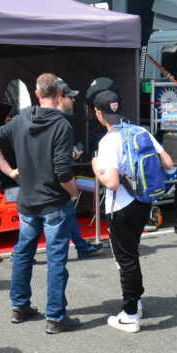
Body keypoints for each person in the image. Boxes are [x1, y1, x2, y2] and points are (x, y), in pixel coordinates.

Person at [0, 73, 80, 334]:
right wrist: (74, 192)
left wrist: (10, 171)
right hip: (54, 203)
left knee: (24, 253)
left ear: (37, 94)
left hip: (28, 201)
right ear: (59, 94)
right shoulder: (62, 125)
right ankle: (56, 317)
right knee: (56, 258)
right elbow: (62, 171)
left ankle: (20, 306)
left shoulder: (20, 120)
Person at [92, 90, 173, 332]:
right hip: (143, 201)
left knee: (125, 259)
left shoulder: (108, 141)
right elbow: (168, 164)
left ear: (99, 113)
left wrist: (96, 167)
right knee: (131, 254)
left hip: (121, 206)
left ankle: (130, 315)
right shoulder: (140, 131)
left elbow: (112, 182)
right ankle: (135, 301)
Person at [57, 78, 103, 259]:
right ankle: (19, 252)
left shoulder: (41, 119)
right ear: (60, 97)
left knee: (64, 214)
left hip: (47, 182)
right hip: (56, 182)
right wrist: (75, 154)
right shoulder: (61, 124)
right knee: (56, 216)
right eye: (70, 97)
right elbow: (60, 158)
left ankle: (81, 246)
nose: (74, 100)